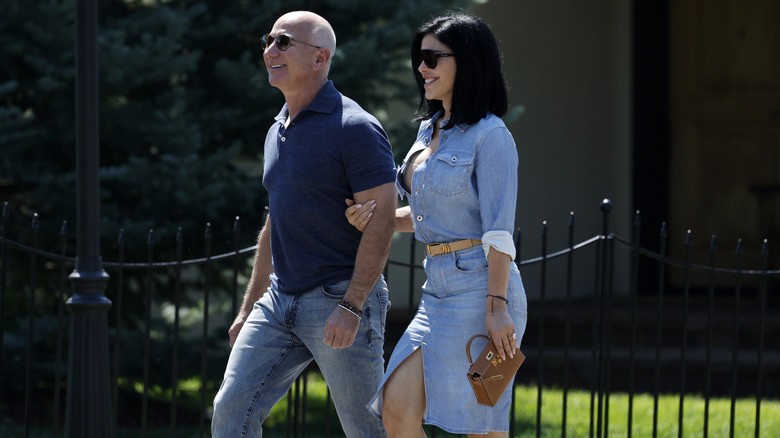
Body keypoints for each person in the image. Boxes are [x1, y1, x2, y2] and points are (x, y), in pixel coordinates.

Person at [211, 11, 397, 438]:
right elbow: (276, 221)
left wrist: (351, 306)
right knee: (230, 410)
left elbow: (382, 222)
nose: (270, 51)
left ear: (320, 58)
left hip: (338, 298)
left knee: (366, 428)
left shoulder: (355, 128)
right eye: (269, 40)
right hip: (279, 302)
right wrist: (248, 308)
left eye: (283, 42)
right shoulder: (278, 128)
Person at [345, 12, 527, 438]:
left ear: (467, 61)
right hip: (437, 292)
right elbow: (428, 215)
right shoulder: (429, 131)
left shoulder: (492, 135)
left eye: (432, 57)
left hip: (485, 294)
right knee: (396, 410)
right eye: (418, 58)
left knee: (481, 426)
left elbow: (498, 232)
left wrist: (497, 309)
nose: (421, 68)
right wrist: (377, 220)